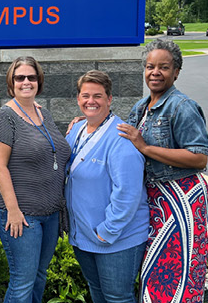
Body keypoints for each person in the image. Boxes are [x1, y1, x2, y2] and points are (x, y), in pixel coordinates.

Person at [119, 39, 208, 303]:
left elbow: (199, 157)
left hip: (182, 200)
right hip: (155, 200)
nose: (155, 72)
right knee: (155, 272)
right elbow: (123, 135)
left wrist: (146, 148)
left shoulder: (181, 107)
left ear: (176, 72)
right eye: (150, 67)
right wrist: (88, 121)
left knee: (180, 274)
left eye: (163, 67)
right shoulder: (142, 107)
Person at [0, 56, 71, 303]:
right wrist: (13, 210)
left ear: (39, 81)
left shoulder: (43, 113)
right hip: (20, 213)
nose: (26, 82)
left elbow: (52, 148)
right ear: (11, 82)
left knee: (39, 275)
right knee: (23, 280)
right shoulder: (6, 117)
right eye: (20, 77)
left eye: (31, 77)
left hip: (50, 211)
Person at [65, 71, 149, 303]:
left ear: (109, 99)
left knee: (117, 298)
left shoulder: (121, 138)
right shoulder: (77, 131)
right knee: (97, 291)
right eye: (85, 95)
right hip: (83, 236)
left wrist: (107, 231)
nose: (91, 101)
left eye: (98, 96)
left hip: (116, 239)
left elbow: (128, 192)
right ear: (78, 99)